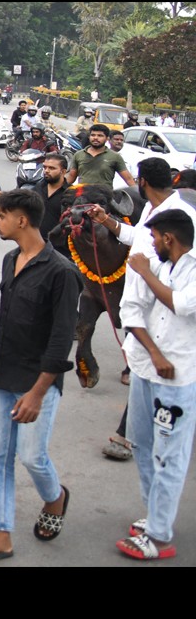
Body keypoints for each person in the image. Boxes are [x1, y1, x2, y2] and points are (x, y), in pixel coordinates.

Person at [0, 189, 81, 564]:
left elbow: (62, 339)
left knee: (32, 456)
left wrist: (37, 392)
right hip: (2, 376)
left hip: (37, 383)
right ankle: (1, 537)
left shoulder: (62, 272)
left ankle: (55, 497)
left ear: (22, 219)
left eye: (1, 216)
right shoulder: (10, 259)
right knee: (0, 457)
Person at [86, 157, 196, 460]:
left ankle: (132, 437)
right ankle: (134, 434)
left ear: (142, 181)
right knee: (142, 371)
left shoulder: (183, 216)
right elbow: (140, 237)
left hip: (165, 310)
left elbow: (185, 263)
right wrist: (107, 222)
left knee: (154, 376)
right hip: (139, 305)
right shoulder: (152, 208)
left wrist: (150, 277)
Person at [115, 209, 196, 559]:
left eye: (154, 238)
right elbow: (131, 310)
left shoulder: (180, 270)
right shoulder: (157, 267)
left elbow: (180, 304)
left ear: (169, 239)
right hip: (148, 369)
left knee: (169, 456)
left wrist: (145, 273)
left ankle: (160, 536)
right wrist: (153, 353)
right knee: (143, 446)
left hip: (178, 380)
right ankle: (154, 516)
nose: (150, 244)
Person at [66, 126, 134, 188]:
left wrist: (138, 196)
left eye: (100, 135)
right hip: (82, 197)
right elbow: (71, 176)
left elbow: (128, 179)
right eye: (93, 135)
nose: (95, 138)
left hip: (104, 198)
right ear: (89, 137)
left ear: (107, 139)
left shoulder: (115, 157)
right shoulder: (79, 155)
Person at [30, 152, 70, 241]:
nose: (46, 170)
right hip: (35, 243)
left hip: (59, 247)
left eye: (51, 168)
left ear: (63, 171)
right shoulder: (38, 188)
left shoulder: (70, 194)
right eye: (45, 167)